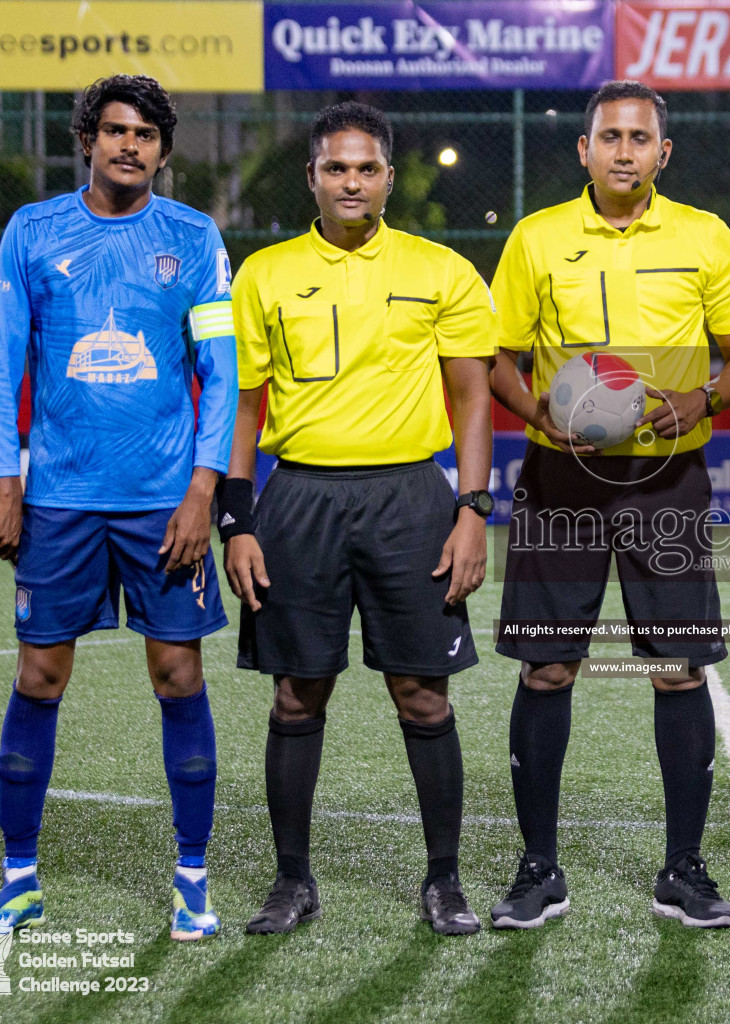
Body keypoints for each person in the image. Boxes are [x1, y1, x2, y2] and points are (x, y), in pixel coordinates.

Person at [486, 80, 730, 930]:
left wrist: (707, 402)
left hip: (666, 483)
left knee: (678, 671)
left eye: (640, 138)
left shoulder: (704, 237)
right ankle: (539, 869)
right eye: (609, 136)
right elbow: (498, 356)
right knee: (548, 668)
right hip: (559, 481)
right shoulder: (537, 240)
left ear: (662, 153)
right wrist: (539, 412)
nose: (624, 151)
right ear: (584, 149)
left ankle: (683, 868)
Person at [0, 75, 237, 942]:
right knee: (38, 677)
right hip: (58, 502)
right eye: (115, 130)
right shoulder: (34, 231)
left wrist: (203, 490)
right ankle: (18, 880)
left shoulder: (194, 238)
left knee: (179, 676)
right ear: (87, 140)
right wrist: (5, 483)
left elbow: (221, 374)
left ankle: (192, 879)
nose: (130, 145)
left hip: (165, 504)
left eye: (147, 134)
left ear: (163, 149)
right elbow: (0, 362)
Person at [223, 101, 496, 938]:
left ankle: (444, 882)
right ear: (312, 176)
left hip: (411, 499)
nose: (351, 181)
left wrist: (474, 509)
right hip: (298, 497)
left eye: (366, 167)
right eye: (336, 168)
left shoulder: (441, 270)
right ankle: (292, 881)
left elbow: (473, 397)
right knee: (298, 694)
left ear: (388, 176)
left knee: (422, 695)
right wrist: (238, 519)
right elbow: (242, 402)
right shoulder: (264, 273)